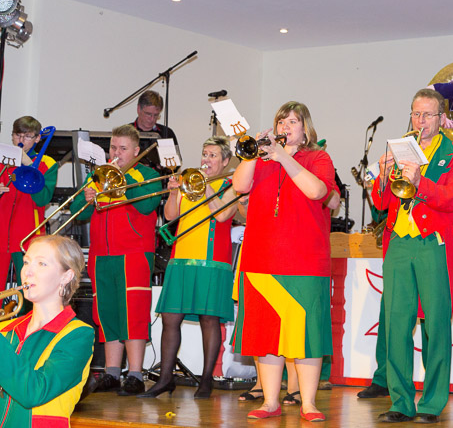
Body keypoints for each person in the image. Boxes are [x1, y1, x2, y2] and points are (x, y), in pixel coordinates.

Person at [372, 88, 453, 423]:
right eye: (416, 114)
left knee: (436, 326)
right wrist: (383, 176)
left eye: (428, 115)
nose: (421, 121)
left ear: (441, 118)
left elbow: (452, 200)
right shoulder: (400, 148)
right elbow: (381, 203)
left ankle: (432, 403)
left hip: (433, 244)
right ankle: (401, 402)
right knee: (396, 325)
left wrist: (420, 182)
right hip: (399, 243)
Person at [231, 101, 335, 422]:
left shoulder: (318, 158)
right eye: (281, 121)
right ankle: (270, 401)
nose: (285, 127)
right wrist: (252, 155)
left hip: (305, 262)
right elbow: (239, 186)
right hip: (260, 260)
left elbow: (317, 191)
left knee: (306, 335)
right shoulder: (261, 160)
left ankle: (308, 403)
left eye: (293, 122)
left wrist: (283, 157)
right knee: (265, 334)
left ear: (305, 129)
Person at [140, 136, 239, 399]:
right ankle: (165, 378)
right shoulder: (189, 182)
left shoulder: (232, 185)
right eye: (205, 154)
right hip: (181, 259)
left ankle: (206, 380)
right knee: (170, 318)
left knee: (209, 319)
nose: (206, 160)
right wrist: (174, 191)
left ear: (226, 161)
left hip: (211, 262)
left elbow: (221, 215)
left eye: (213, 155)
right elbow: (171, 216)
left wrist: (206, 187)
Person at [70, 124, 161, 396]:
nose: (116, 153)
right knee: (107, 313)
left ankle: (135, 374)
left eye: (123, 148)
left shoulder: (147, 175)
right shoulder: (99, 175)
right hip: (102, 254)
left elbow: (147, 205)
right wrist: (87, 198)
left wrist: (123, 180)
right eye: (113, 147)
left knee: (133, 313)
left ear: (136, 150)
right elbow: (76, 211)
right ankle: (111, 373)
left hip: (134, 253)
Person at [0, 235, 94, 427]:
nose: (28, 271)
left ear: (66, 276)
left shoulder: (78, 335)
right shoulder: (6, 329)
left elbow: (34, 393)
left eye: (41, 263)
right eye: (26, 262)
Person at [0, 116, 57, 302]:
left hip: (28, 236)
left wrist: (31, 167)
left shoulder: (47, 164)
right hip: (1, 234)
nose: (21, 141)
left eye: (27, 136)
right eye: (17, 135)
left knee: (29, 292)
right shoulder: (2, 159)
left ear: (38, 138)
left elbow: (43, 199)